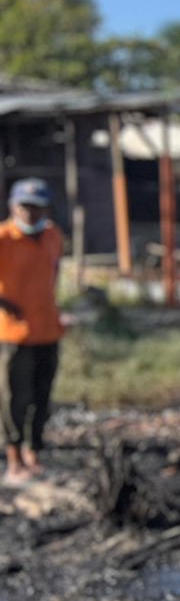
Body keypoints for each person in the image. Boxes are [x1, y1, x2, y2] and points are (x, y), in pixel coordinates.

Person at [0, 177, 65, 483]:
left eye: (36, 208)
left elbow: (54, 271)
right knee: (14, 397)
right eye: (25, 207)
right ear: (14, 207)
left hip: (48, 330)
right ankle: (13, 456)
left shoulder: (52, 235)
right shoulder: (4, 238)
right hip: (13, 334)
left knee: (42, 396)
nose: (31, 214)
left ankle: (34, 451)